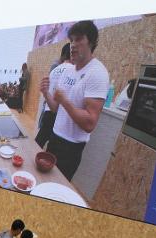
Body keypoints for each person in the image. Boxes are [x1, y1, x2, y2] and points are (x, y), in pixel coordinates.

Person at [41, 20, 109, 180]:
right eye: (71, 40)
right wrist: (45, 94)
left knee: (58, 191)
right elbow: (56, 109)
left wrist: (65, 101)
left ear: (91, 42)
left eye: (78, 39)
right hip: (54, 138)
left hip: (71, 147)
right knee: (44, 182)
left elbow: (90, 123)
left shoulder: (97, 73)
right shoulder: (68, 71)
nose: (73, 45)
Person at [35, 43, 73, 149]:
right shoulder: (72, 70)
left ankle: (31, 158)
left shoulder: (55, 69)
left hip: (48, 110)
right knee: (53, 148)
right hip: (59, 113)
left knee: (40, 140)